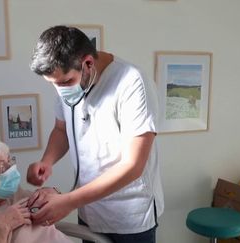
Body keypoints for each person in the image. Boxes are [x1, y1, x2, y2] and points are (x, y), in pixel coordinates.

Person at [26, 25, 164, 243]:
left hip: (130, 218)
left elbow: (133, 167)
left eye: (65, 82)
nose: (60, 90)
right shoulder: (67, 83)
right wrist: (48, 160)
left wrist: (68, 201)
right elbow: (62, 129)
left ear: (88, 63)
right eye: (53, 84)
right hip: (89, 209)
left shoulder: (132, 83)